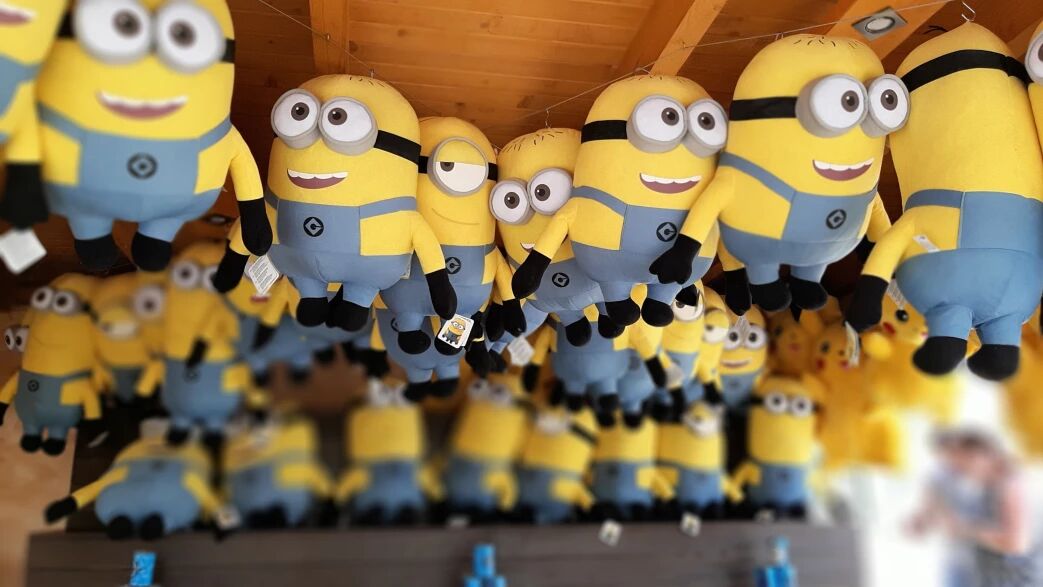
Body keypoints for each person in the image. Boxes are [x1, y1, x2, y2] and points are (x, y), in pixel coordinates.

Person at [907, 428, 1040, 587]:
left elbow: (1015, 543)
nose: (962, 470)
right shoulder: (985, 486)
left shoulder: (1011, 485)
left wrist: (963, 529)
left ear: (982, 456)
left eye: (964, 463)